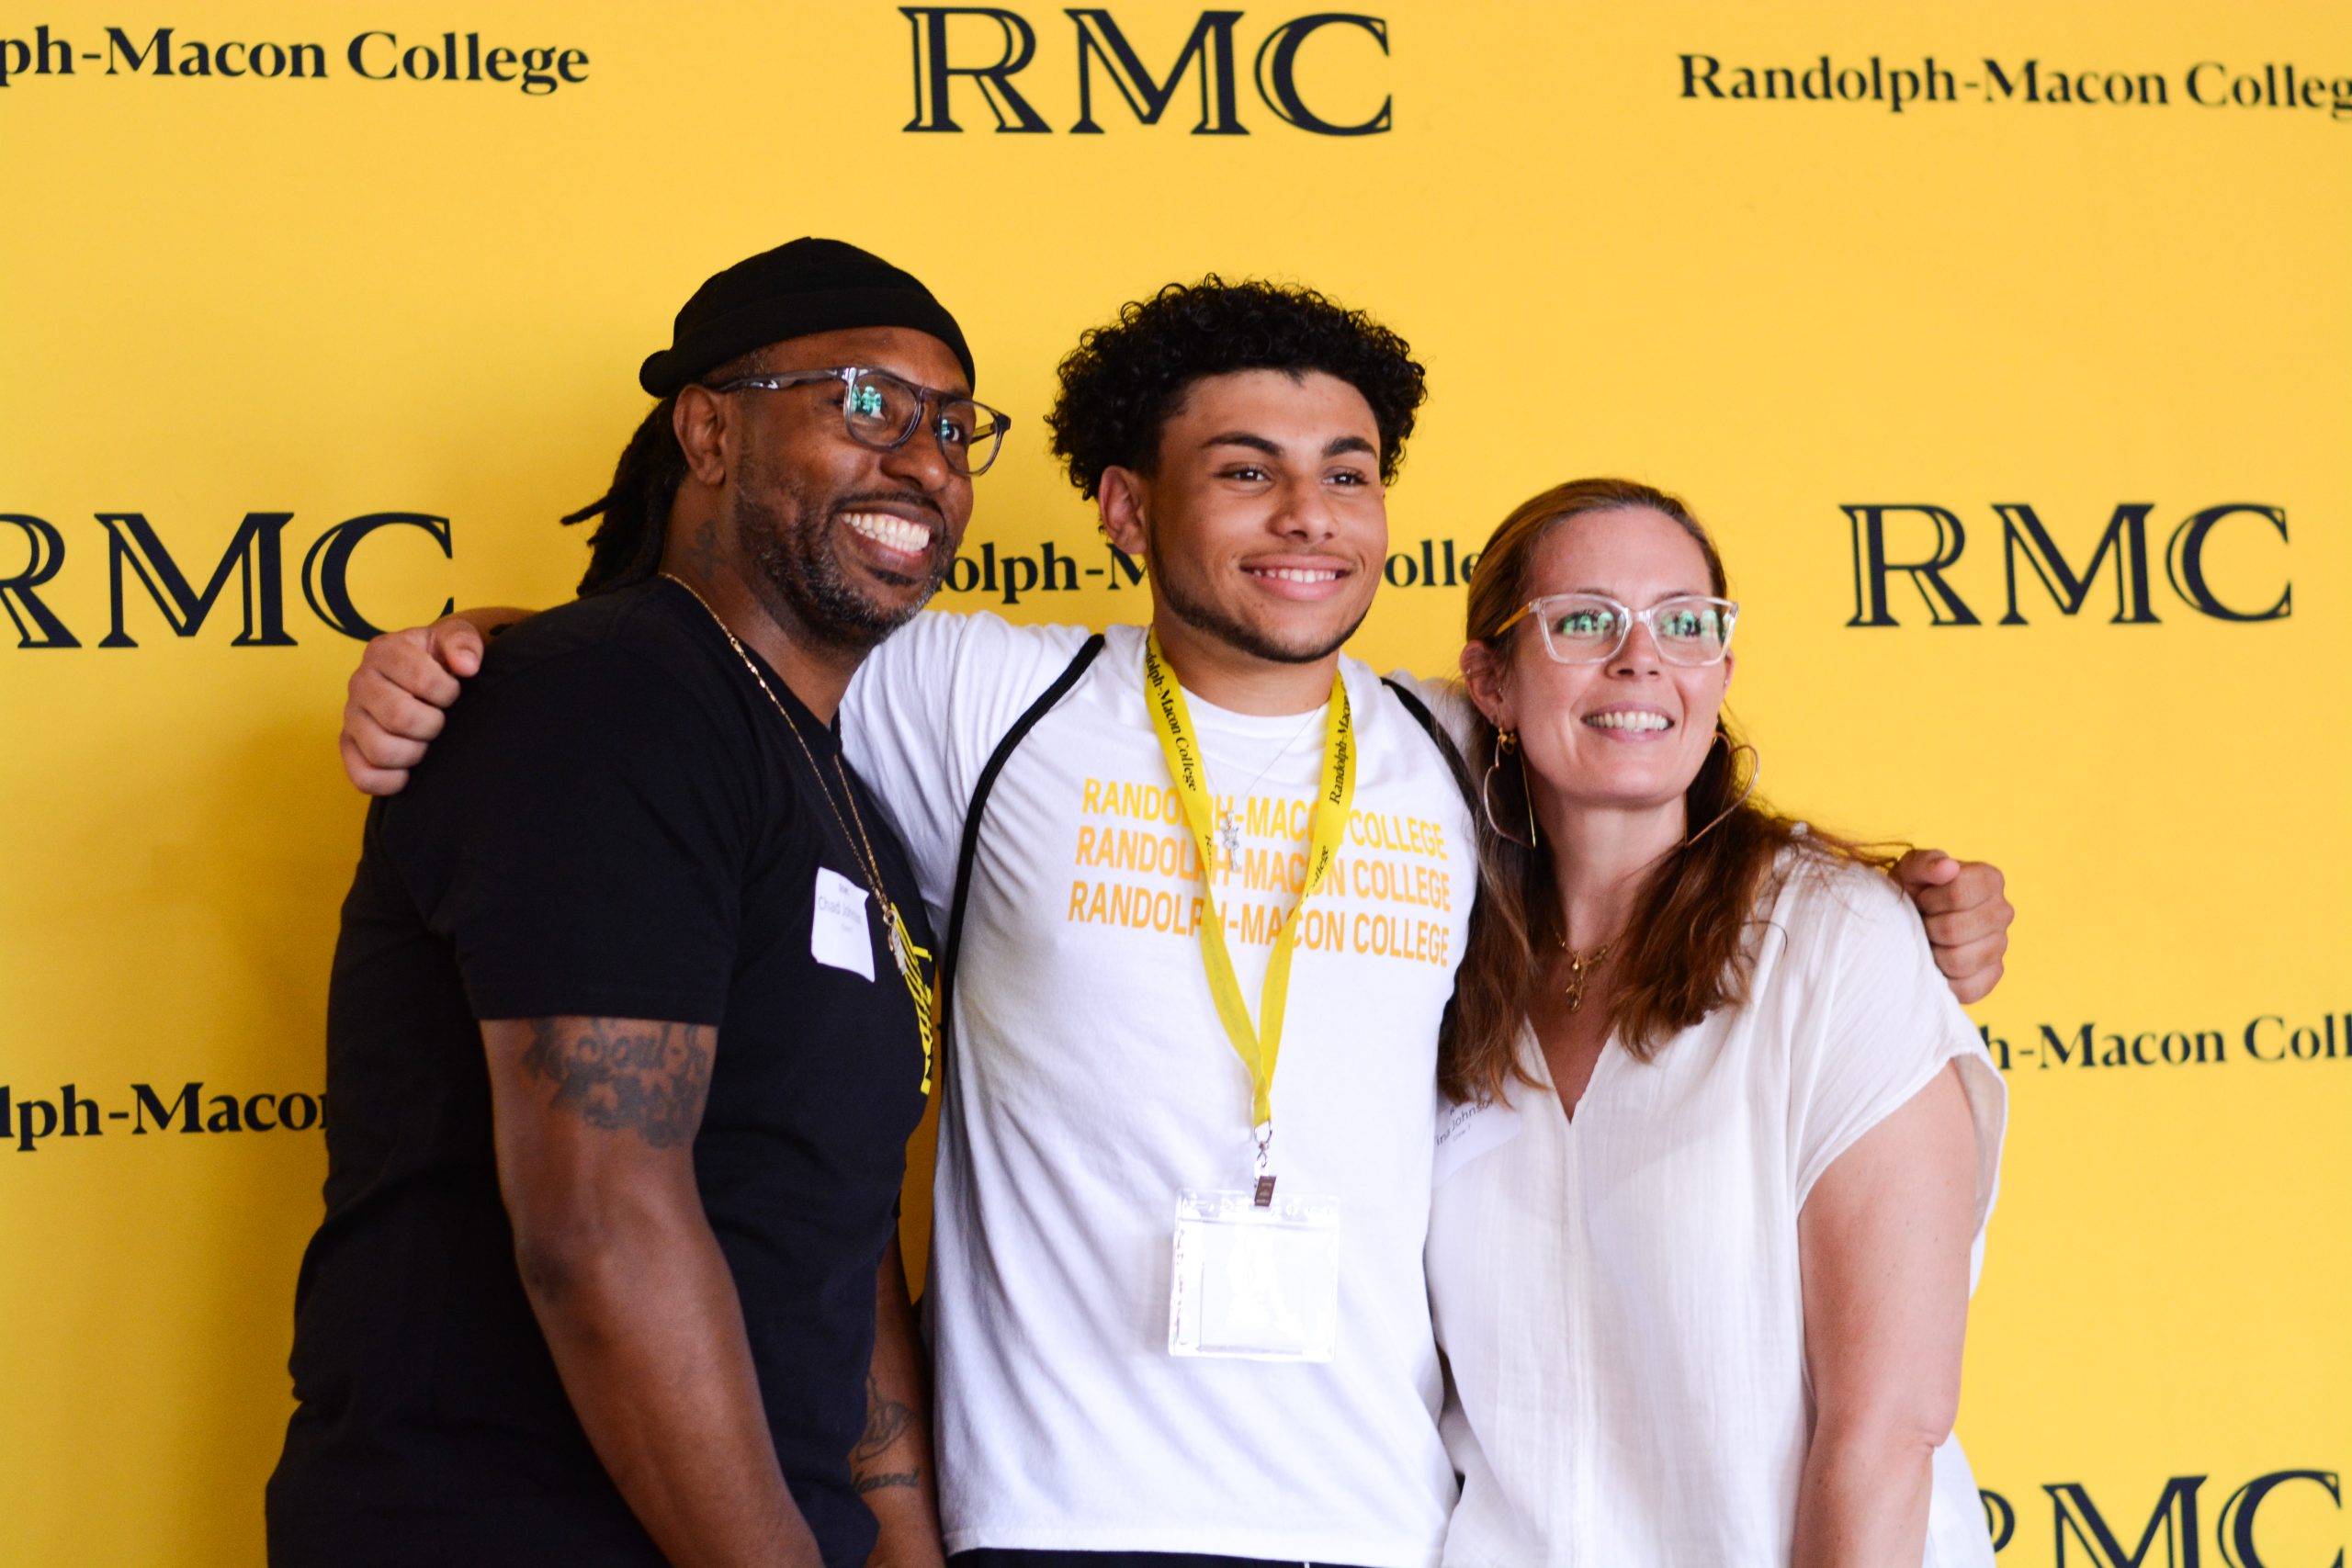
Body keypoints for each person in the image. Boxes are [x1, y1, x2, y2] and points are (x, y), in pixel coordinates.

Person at [337, 280, 2015, 1568]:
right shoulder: (981, 696)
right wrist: (472, 651)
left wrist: (1918, 910)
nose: (1309, 515)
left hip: (1382, 1522)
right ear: (1132, 512)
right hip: (1059, 1515)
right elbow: (714, 655)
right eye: (1247, 470)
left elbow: (1650, 792)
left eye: (1346, 473)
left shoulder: (1458, 745)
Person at [268, 238, 1008, 1568]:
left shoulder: (841, 795)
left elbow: (828, 1231)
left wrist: (900, 1542)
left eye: (955, 425)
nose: (925, 459)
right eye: (864, 402)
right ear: (709, 429)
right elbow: (596, 1220)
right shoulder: (607, 698)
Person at [1427, 478, 2007, 1567]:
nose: (1640, 658)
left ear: (1721, 674)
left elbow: (1886, 1431)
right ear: (1489, 683)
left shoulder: (1832, 941)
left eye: (1685, 624)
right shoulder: (1445, 970)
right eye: (1583, 620)